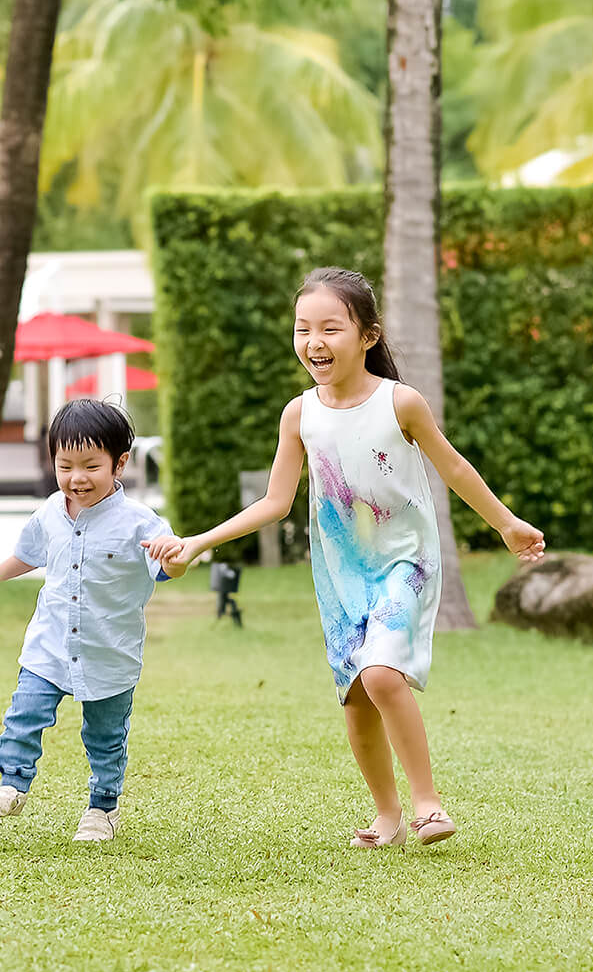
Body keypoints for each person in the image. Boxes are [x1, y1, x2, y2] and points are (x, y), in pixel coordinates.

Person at [156, 268, 545, 848]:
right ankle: (387, 816)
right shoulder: (300, 414)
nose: (314, 342)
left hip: (405, 562)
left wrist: (508, 524)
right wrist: (196, 542)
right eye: (303, 328)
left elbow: (454, 468)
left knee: (384, 674)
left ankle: (427, 804)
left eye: (330, 328)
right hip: (340, 575)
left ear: (367, 335)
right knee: (357, 698)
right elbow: (274, 503)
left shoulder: (401, 403)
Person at [0, 398, 186, 843]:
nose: (76, 478)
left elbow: (170, 568)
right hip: (50, 645)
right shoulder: (49, 513)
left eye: (90, 466)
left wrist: (173, 558)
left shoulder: (141, 523)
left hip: (109, 652)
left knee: (105, 738)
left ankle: (102, 809)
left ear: (119, 463)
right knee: (23, 714)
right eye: (65, 465)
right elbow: (27, 555)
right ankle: (12, 785)